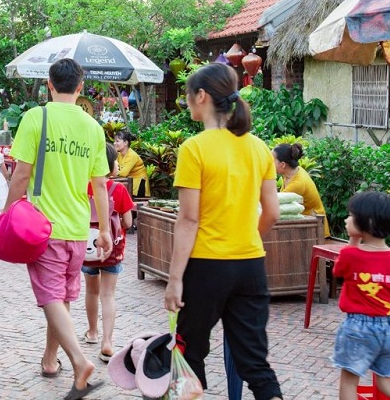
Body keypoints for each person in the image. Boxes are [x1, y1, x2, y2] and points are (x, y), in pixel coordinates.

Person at [163, 63, 283, 400]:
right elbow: (272, 212)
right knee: (255, 363)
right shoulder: (259, 148)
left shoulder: (194, 149)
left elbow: (188, 220)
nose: (187, 101)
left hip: (206, 267)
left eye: (188, 95)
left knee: (189, 355)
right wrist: (247, 240)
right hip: (250, 265)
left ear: (201, 96)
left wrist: (174, 280)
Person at [3, 58, 111, 399]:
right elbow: (101, 185)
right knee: (61, 297)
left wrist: (7, 215)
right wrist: (105, 229)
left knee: (50, 297)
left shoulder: (36, 118)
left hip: (44, 228)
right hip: (80, 228)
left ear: (49, 84)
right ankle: (50, 359)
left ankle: (79, 361)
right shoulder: (93, 127)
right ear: (80, 88)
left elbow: (21, 174)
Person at [332, 191, 390, 400]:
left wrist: (353, 240)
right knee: (388, 385)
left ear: (365, 222)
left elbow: (338, 272)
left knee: (349, 382)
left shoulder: (350, 254)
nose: (346, 219)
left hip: (358, 327)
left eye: (351, 215)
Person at [81, 143, 134, 363]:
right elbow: (128, 223)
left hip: (88, 249)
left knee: (91, 291)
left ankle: (92, 332)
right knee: (108, 294)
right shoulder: (119, 190)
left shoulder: (83, 187)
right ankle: (107, 341)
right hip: (112, 250)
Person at [272, 143, 330, 237]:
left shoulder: (298, 183)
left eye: (272, 160)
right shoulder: (291, 172)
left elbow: (276, 203)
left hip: (314, 229)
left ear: (282, 164)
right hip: (304, 225)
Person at [114, 130, 150, 197]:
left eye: (117, 141)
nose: (114, 143)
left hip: (138, 185)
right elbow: (113, 168)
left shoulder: (132, 155)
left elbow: (123, 173)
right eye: (115, 141)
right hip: (128, 183)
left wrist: (111, 173)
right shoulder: (119, 155)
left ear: (125, 143)